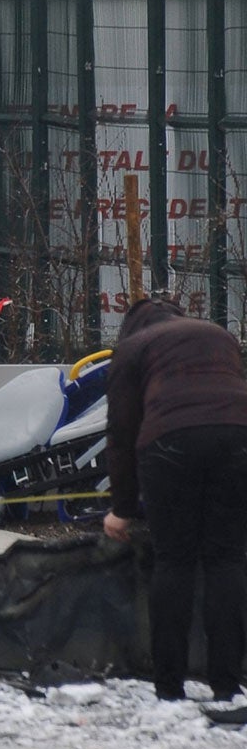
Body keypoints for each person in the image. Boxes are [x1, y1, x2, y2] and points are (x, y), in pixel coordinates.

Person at [102, 296, 247, 704]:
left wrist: (123, 510)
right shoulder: (218, 334)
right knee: (227, 559)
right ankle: (227, 684)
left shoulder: (132, 349)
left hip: (169, 443)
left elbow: (121, 434)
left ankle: (169, 686)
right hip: (239, 437)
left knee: (175, 560)